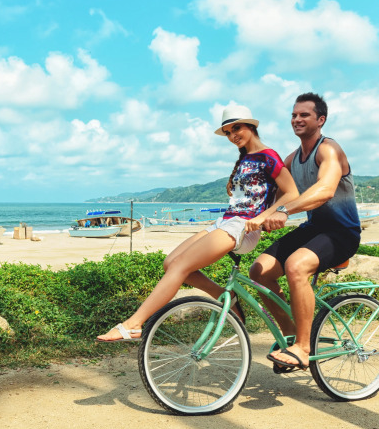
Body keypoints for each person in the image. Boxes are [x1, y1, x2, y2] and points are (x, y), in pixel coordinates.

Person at [97, 104, 299, 342]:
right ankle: (226, 297)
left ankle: (133, 324)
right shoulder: (246, 158)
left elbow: (292, 193)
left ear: (251, 126)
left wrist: (263, 217)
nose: (232, 136)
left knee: (181, 266)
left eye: (236, 128)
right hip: (226, 222)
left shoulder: (268, 156)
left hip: (243, 227)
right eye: (228, 132)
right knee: (170, 263)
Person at [247, 92, 361, 371]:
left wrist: (284, 212)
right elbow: (274, 192)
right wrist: (248, 214)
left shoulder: (329, 150)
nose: (297, 119)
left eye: (304, 115)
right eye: (294, 115)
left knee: (296, 266)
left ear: (321, 120)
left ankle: (303, 347)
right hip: (314, 229)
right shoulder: (292, 159)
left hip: (342, 233)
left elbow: (325, 190)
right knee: (259, 272)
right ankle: (290, 335)